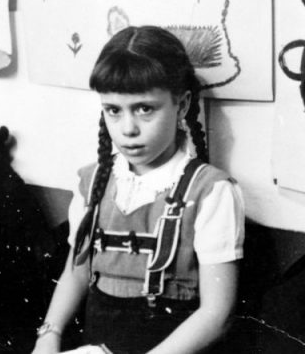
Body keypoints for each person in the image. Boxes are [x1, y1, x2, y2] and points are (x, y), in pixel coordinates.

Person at [32, 26, 245, 354]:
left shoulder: (211, 192)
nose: (128, 129)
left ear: (182, 104)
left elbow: (217, 314)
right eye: (113, 110)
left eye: (145, 108)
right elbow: (76, 271)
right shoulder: (94, 182)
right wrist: (49, 334)